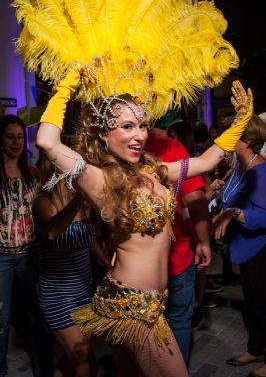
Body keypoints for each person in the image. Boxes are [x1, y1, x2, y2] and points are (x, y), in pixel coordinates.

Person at [33, 65, 252, 377]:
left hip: (151, 301)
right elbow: (47, 142)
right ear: (103, 135)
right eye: (127, 126)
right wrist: (66, 88)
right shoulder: (98, 179)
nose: (139, 135)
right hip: (132, 306)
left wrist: (240, 124)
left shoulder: (153, 171)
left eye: (142, 125)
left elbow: (205, 161)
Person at [145, 118, 210, 363]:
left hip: (136, 266)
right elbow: (195, 200)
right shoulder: (171, 147)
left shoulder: (114, 146)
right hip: (175, 258)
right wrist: (203, 242)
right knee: (179, 320)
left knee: (143, 327)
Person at [33, 156, 96, 377]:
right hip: (58, 294)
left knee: (74, 360)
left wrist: (106, 262)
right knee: (84, 360)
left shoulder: (79, 200)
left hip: (83, 291)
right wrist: (78, 201)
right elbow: (51, 232)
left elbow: (88, 238)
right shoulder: (42, 201)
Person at [213, 114, 266, 377]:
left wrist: (232, 213)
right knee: (253, 303)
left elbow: (263, 217)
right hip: (245, 248)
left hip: (261, 250)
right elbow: (231, 197)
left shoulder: (262, 171)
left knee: (264, 305)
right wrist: (218, 189)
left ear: (247, 140)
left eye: (233, 134)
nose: (227, 139)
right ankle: (256, 349)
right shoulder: (241, 167)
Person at [0, 115, 39, 377]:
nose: (16, 142)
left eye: (20, 136)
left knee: (37, 313)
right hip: (1, 256)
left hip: (30, 254)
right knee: (2, 320)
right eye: (10, 136)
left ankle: (42, 365)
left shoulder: (32, 171)